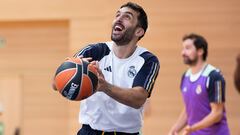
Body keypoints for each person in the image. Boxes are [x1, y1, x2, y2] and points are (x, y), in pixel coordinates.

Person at [52, 2, 160, 135]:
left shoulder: (148, 60)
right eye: (117, 15)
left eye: (127, 17)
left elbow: (138, 99)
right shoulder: (94, 51)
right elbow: (55, 84)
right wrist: (74, 69)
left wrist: (104, 87)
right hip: (90, 131)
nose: (119, 19)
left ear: (139, 31)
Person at [168, 33, 230, 135]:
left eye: (187, 48)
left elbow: (217, 113)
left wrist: (193, 128)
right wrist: (175, 129)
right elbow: (189, 109)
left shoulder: (214, 76)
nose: (183, 52)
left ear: (200, 51)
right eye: (183, 48)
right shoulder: (185, 77)